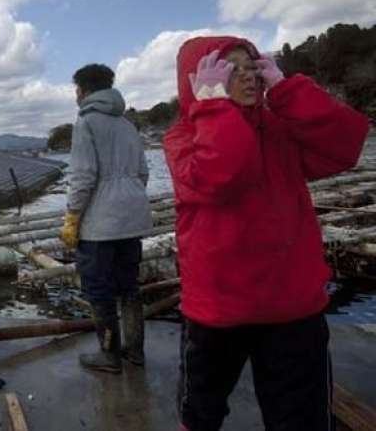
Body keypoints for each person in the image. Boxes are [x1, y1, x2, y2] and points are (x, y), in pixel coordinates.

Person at [164, 36, 369, 430]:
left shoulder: (280, 129)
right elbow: (224, 175)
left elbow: (345, 146)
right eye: (230, 69)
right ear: (197, 80)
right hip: (217, 308)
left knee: (301, 418)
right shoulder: (182, 139)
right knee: (200, 411)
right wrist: (212, 106)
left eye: (252, 67)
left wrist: (289, 91)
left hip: (292, 305)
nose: (247, 77)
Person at [60, 63, 153, 373]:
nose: (76, 95)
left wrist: (73, 216)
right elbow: (143, 172)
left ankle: (109, 355)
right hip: (133, 218)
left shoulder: (85, 123)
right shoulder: (128, 125)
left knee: (99, 290)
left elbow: (83, 176)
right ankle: (135, 352)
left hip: (101, 227)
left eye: (77, 89)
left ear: (84, 91)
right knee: (129, 288)